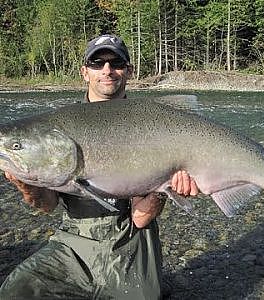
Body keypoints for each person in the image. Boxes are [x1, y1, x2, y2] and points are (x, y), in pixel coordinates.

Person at [0, 34, 198, 300]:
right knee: (15, 292)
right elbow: (47, 205)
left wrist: (164, 187)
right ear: (84, 72)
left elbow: (141, 218)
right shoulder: (60, 127)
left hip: (131, 241)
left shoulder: (149, 123)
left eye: (116, 62)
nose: (107, 70)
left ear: (128, 71)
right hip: (73, 243)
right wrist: (24, 180)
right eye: (97, 63)